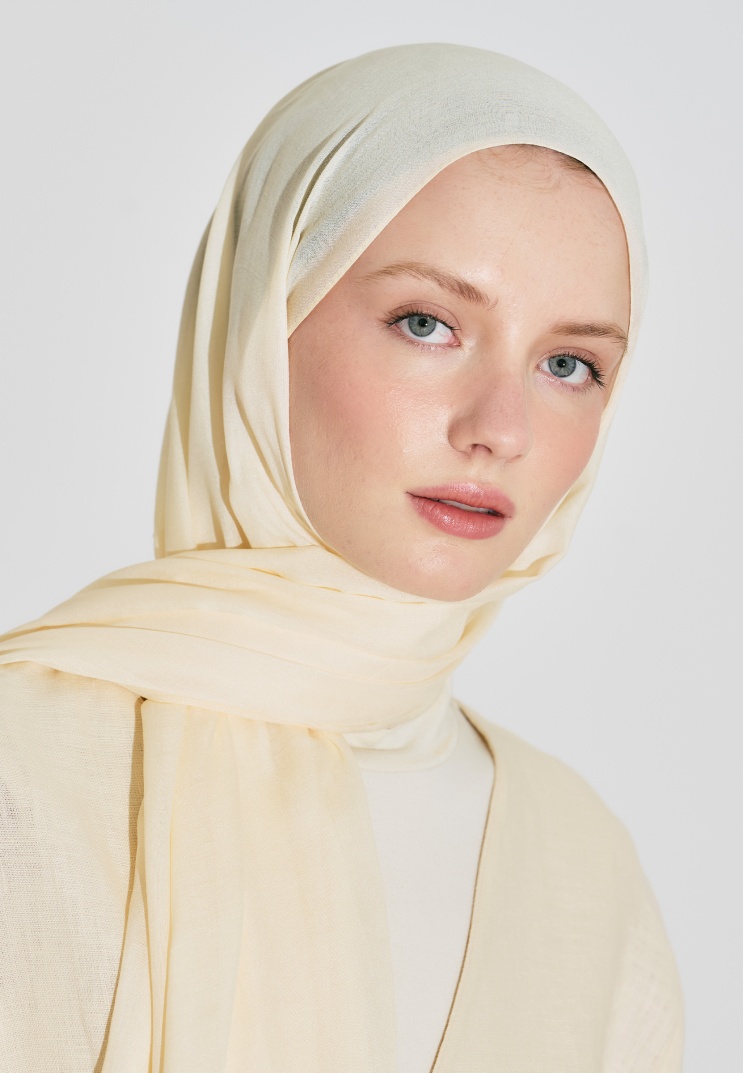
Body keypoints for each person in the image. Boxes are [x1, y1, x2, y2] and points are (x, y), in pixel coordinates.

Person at [0, 43, 683, 1073]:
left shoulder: (583, 868)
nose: (500, 428)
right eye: (426, 323)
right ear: (261, 320)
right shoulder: (24, 774)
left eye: (567, 363)